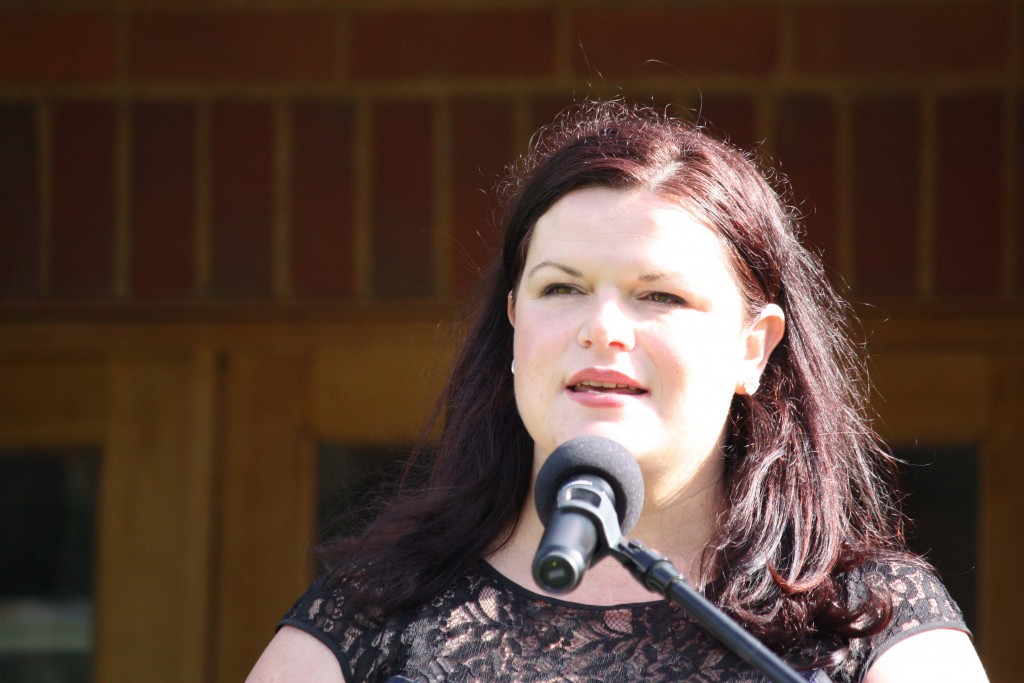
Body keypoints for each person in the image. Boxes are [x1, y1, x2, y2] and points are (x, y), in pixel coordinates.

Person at [247, 100, 987, 682]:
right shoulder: (369, 615)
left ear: (752, 348)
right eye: (561, 287)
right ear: (513, 324)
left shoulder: (871, 619)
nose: (602, 328)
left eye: (658, 295)